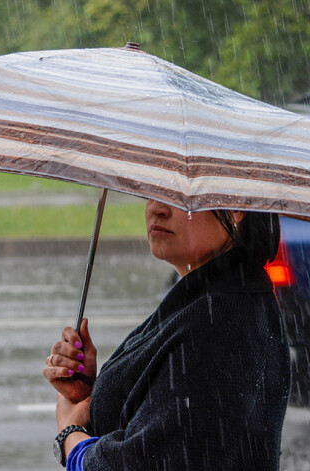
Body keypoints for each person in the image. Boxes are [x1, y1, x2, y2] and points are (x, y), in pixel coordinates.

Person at [43, 198, 291, 470]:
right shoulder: (206, 299)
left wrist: (71, 436)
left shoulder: (216, 326)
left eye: (180, 198)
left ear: (235, 206)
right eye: (152, 193)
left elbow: (146, 462)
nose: (156, 208)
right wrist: (90, 395)